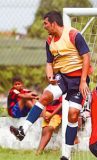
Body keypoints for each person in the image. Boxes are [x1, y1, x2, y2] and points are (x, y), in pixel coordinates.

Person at [9, 10, 91, 160]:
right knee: (45, 96)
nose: (44, 26)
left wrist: (84, 81)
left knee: (72, 115)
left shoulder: (74, 35)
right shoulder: (49, 41)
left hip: (79, 79)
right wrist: (50, 76)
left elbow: (86, 57)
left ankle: (66, 156)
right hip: (62, 77)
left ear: (53, 23)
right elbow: (49, 63)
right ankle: (22, 130)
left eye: (46, 23)